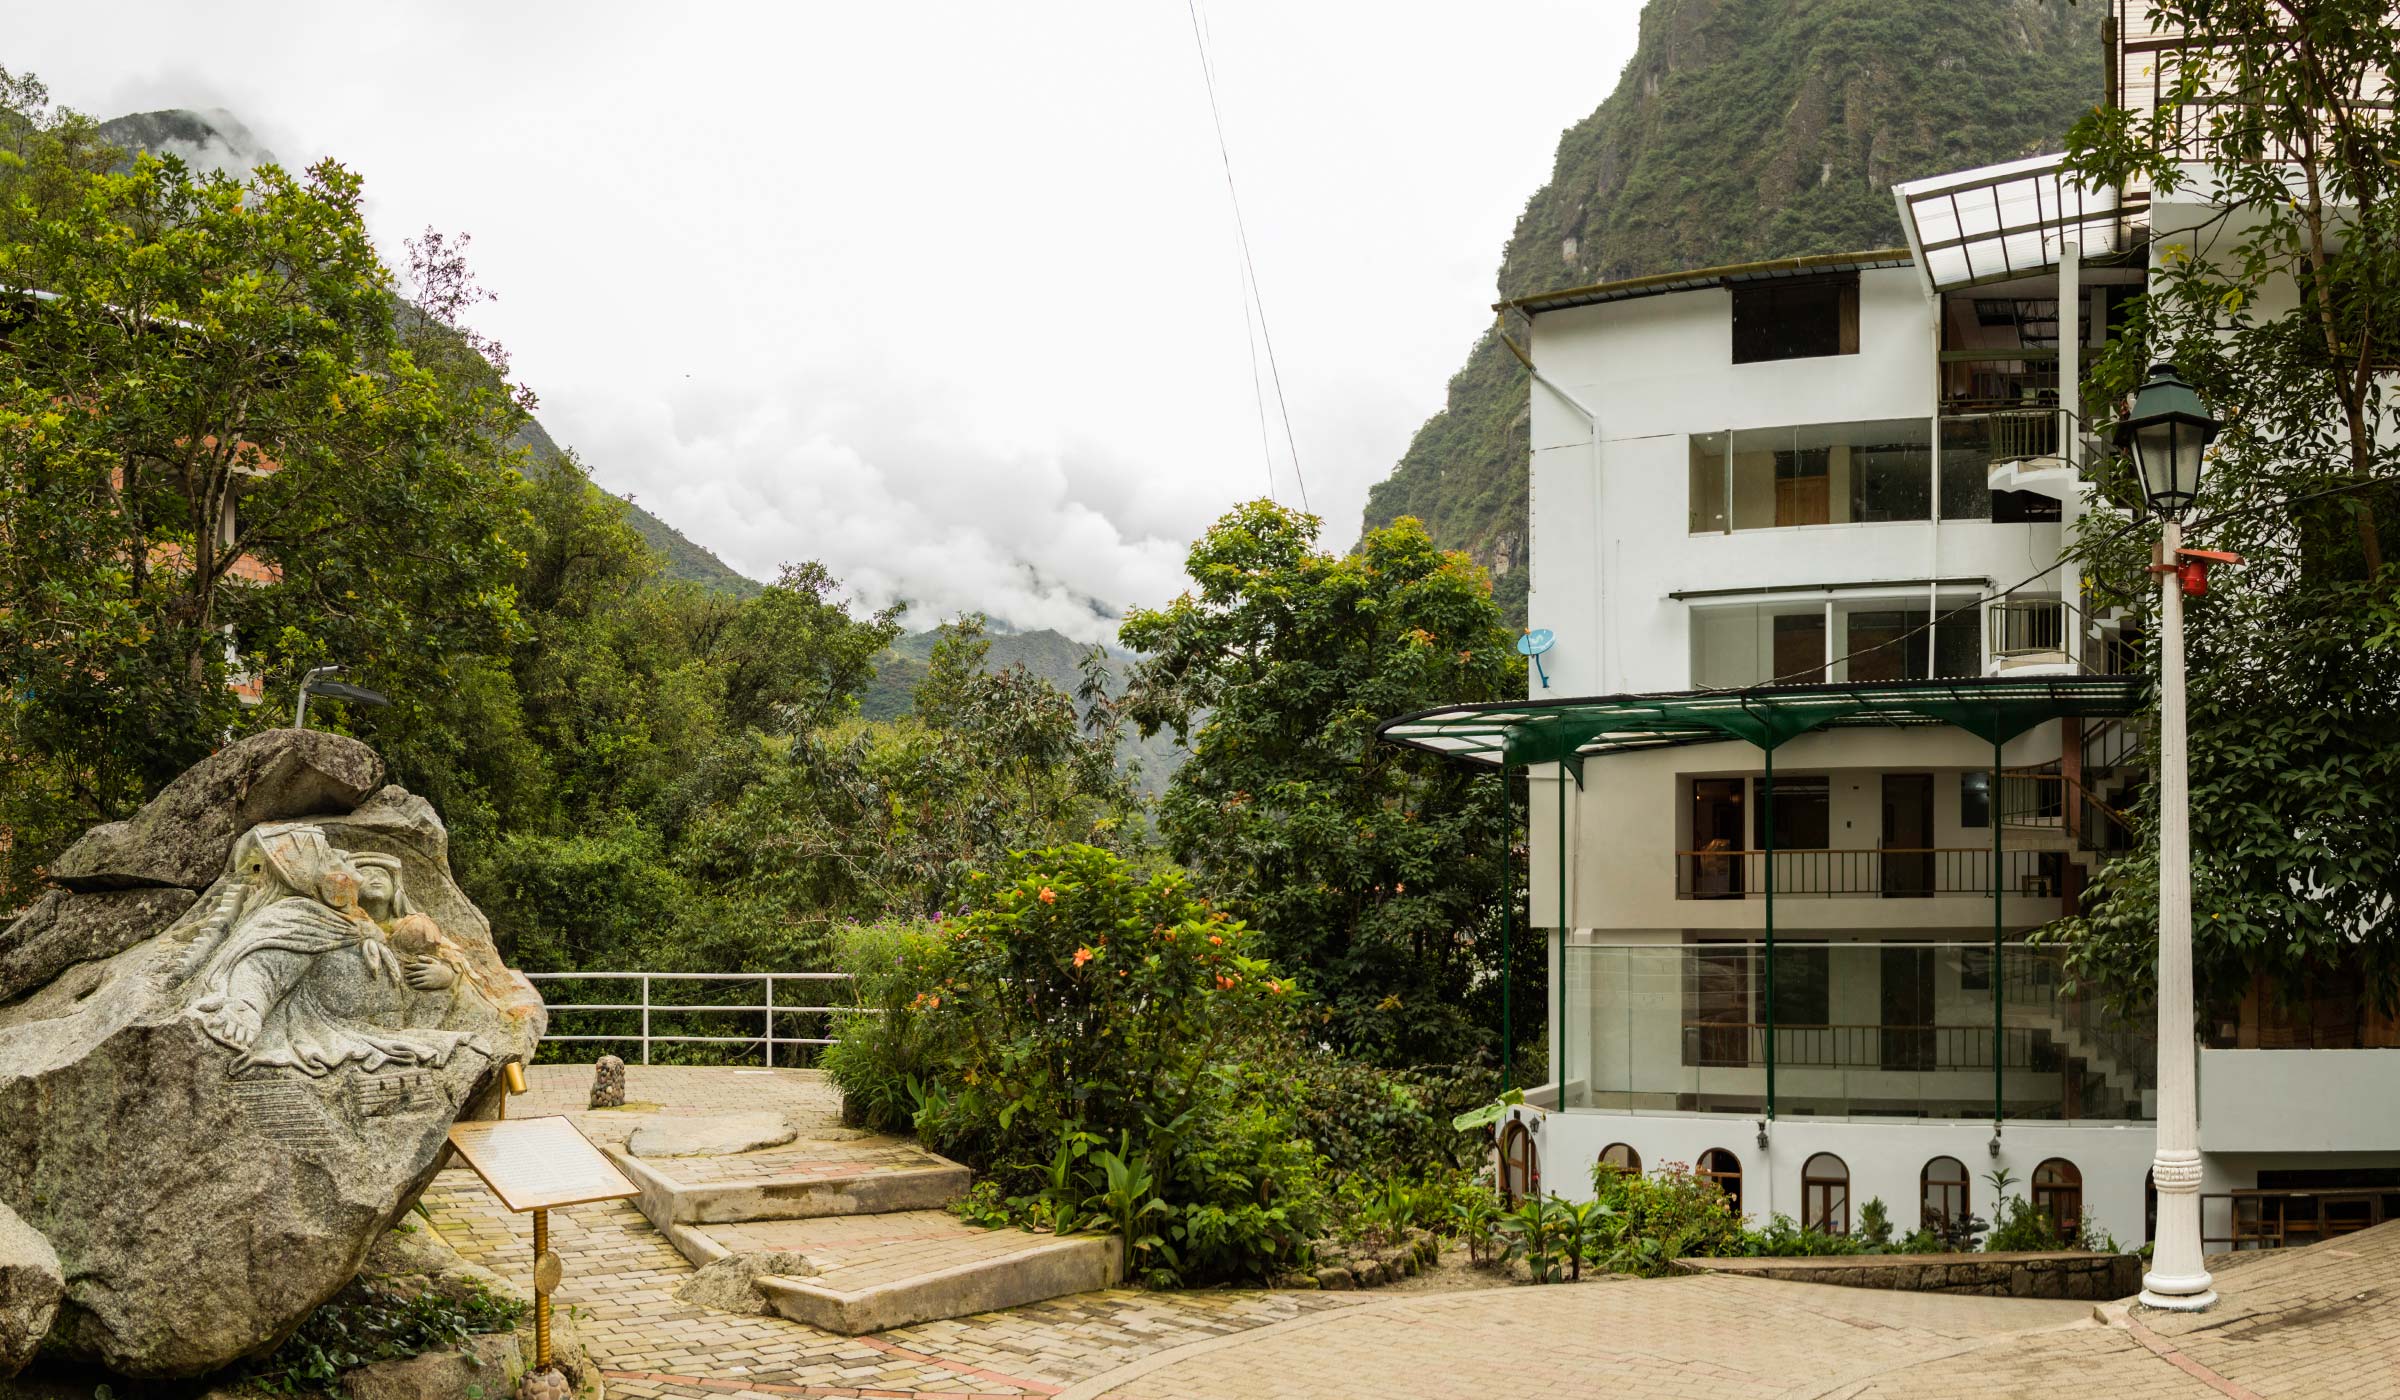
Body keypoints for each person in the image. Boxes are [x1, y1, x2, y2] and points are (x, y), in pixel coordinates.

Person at [184, 824, 479, 1076]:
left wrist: (447, 976)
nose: (342, 854)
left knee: (469, 1045)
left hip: (387, 1028)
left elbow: (420, 970)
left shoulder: (361, 925)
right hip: (333, 1033)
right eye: (329, 855)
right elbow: (263, 966)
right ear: (321, 878)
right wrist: (247, 1006)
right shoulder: (302, 917)